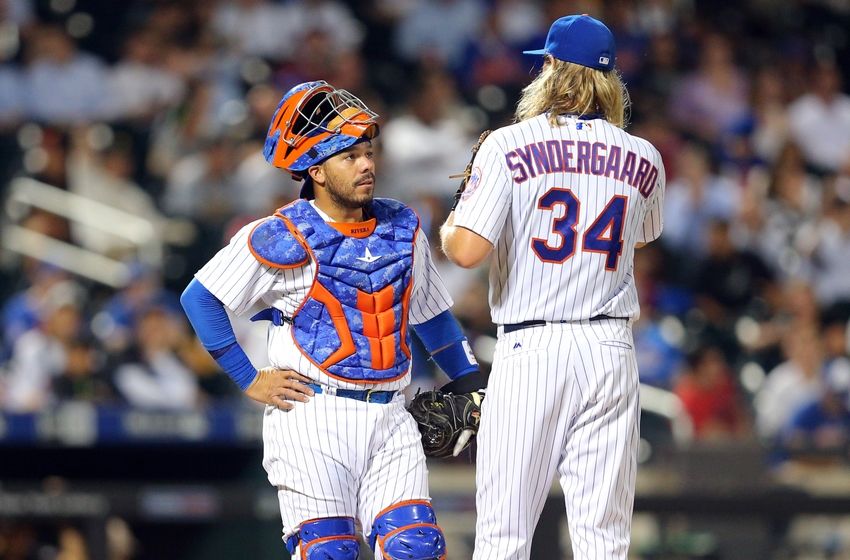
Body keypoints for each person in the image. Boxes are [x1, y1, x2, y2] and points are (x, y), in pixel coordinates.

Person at [180, 80, 484, 559]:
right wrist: (249, 379)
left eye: (368, 152)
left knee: (417, 548)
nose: (366, 164)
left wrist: (470, 382)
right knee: (330, 552)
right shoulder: (281, 233)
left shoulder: (402, 225)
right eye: (350, 156)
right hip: (313, 415)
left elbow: (432, 315)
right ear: (316, 170)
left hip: (392, 413)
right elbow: (200, 298)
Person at [440, 14, 666, 559]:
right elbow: (642, 236)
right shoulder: (644, 156)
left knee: (504, 535)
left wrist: (459, 211)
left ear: (551, 68)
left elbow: (465, 251)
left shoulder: (508, 144)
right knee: (603, 539)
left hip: (534, 346)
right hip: (610, 349)